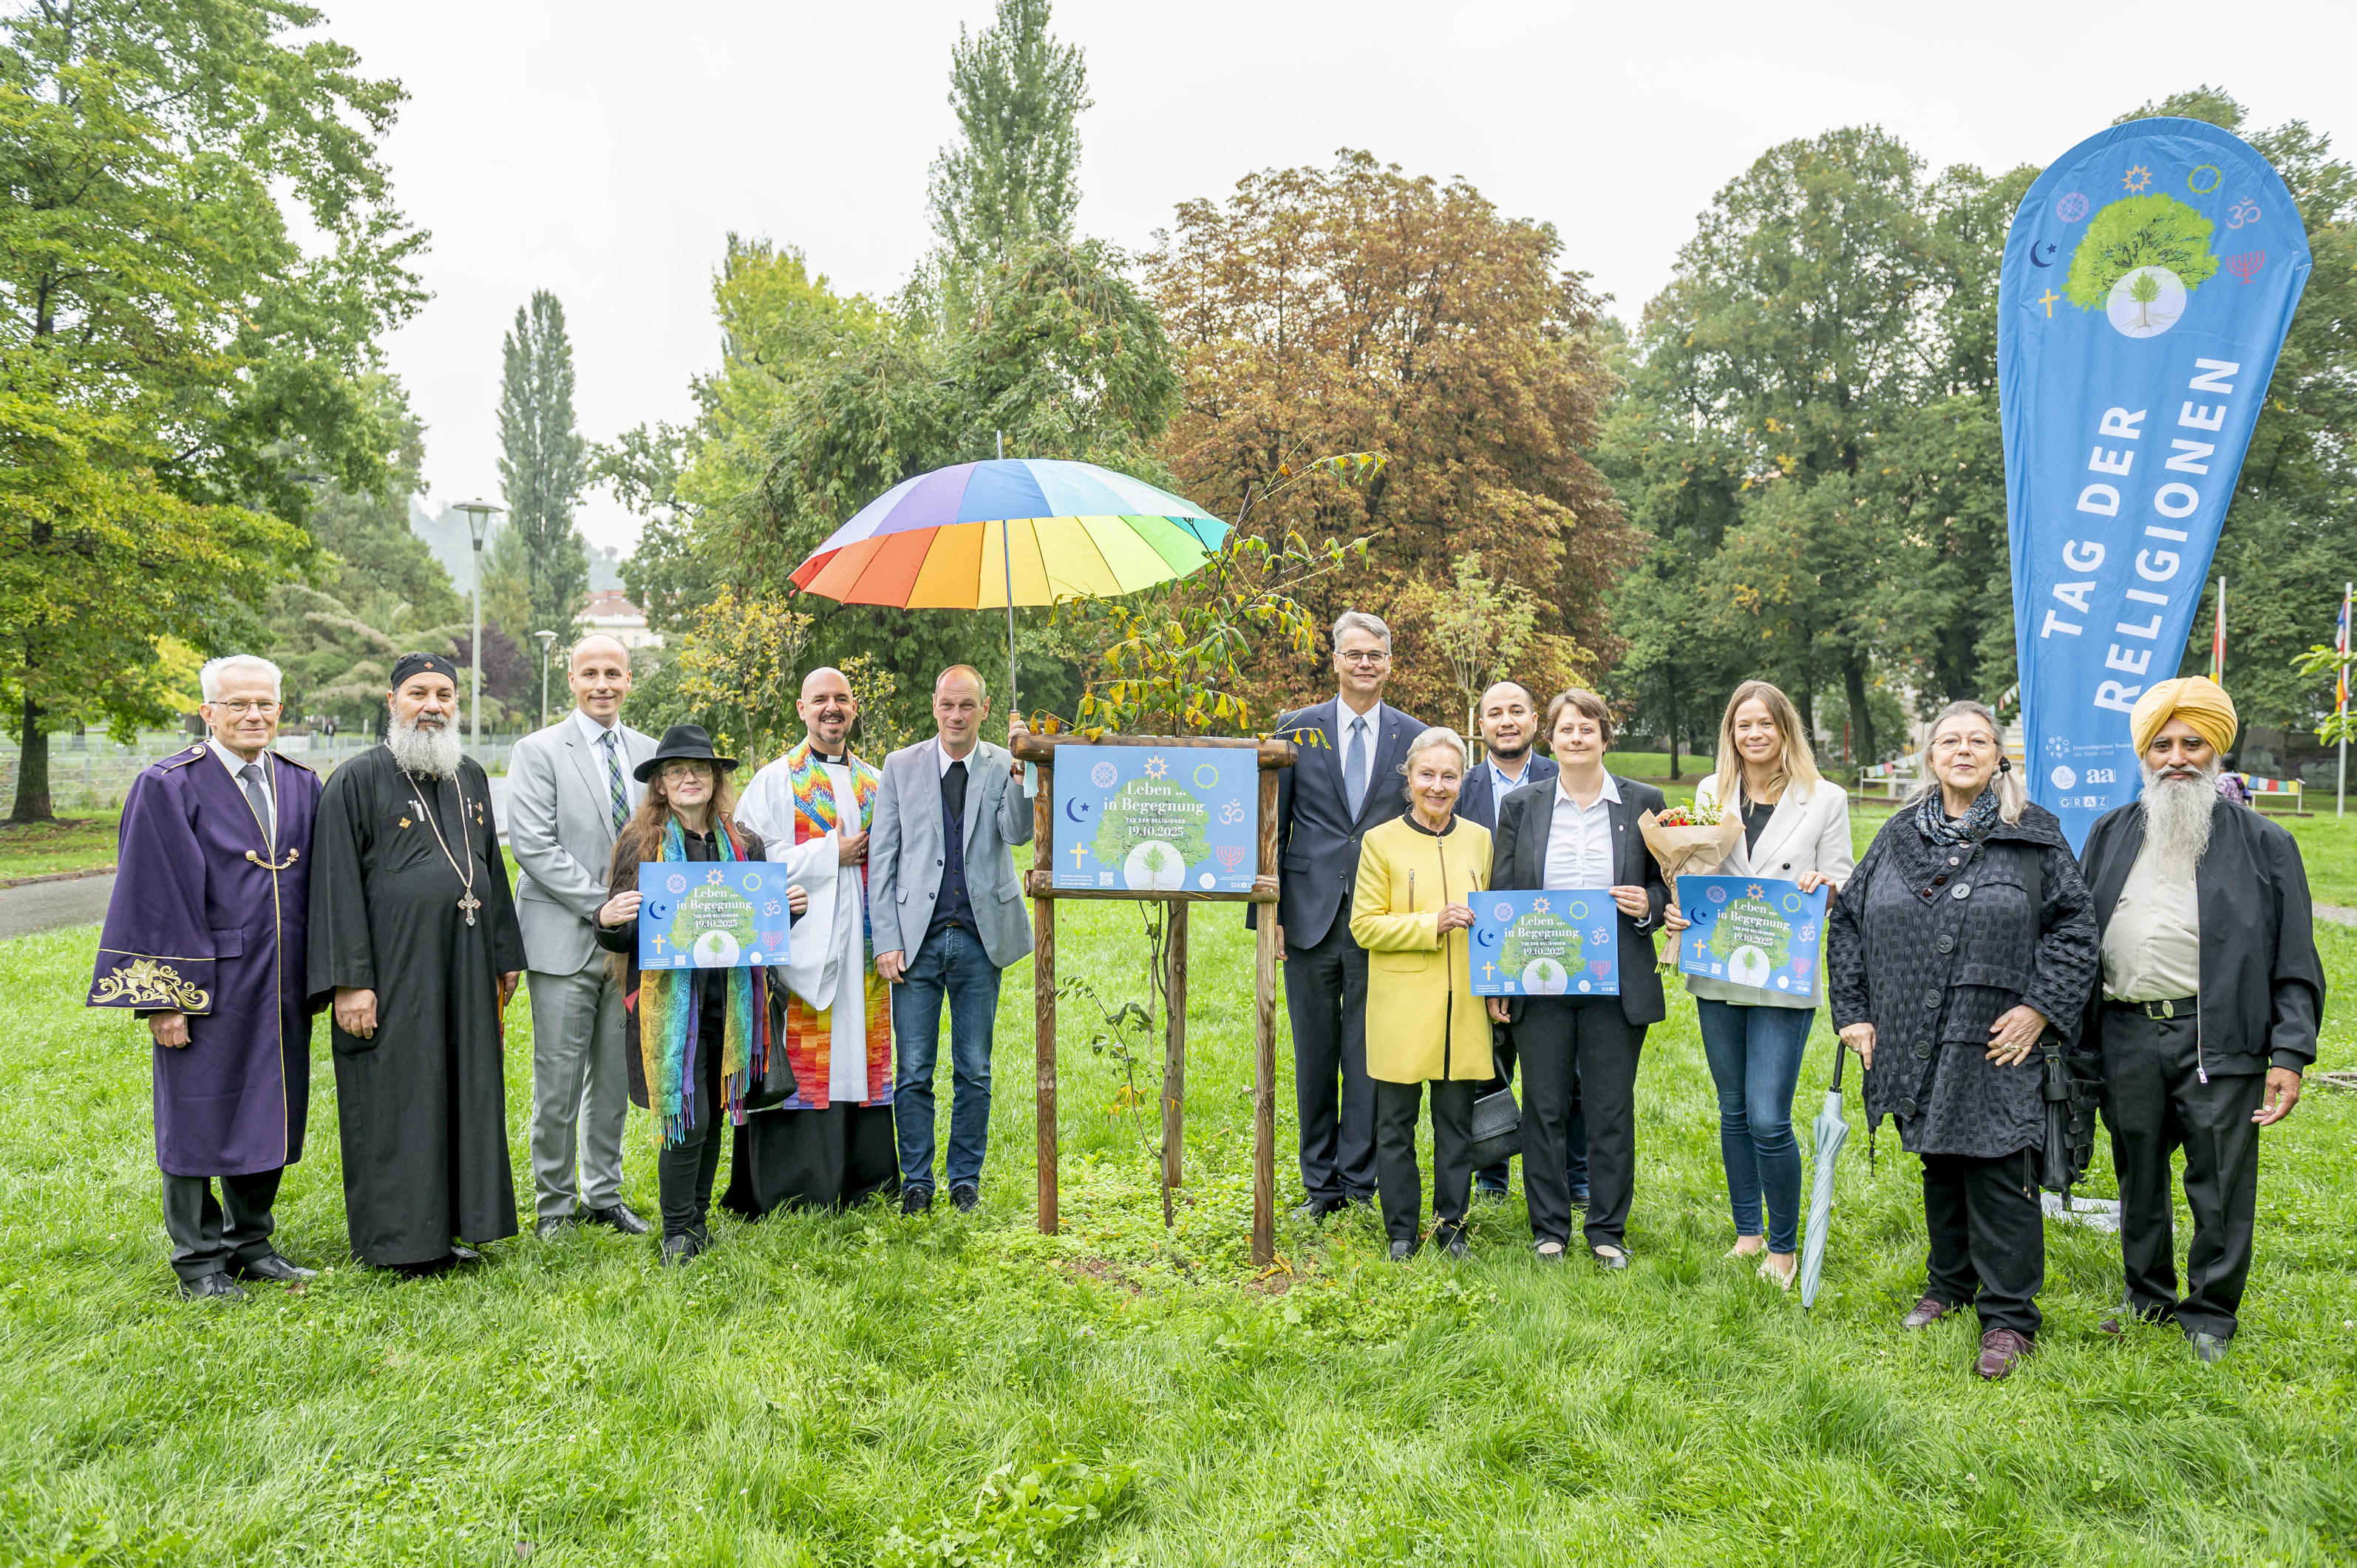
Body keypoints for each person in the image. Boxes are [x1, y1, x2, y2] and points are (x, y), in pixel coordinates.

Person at [1827, 700, 2098, 1380]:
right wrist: (1853, 1013)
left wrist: (2041, 1008)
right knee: (1939, 1162)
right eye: (1949, 740)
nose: (1963, 750)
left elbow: (2075, 929)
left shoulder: (2032, 835)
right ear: (1930, 755)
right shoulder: (1895, 837)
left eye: (1978, 740)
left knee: (2000, 1166)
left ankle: (2008, 1317)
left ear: (1996, 755)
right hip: (1912, 1031)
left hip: (1998, 1035)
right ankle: (1948, 1285)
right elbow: (1848, 923)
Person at [2078, 677, 2323, 1362]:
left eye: (2192, 743)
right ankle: (2147, 1299)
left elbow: (2295, 955)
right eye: (2161, 745)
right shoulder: (2108, 832)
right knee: (2138, 1176)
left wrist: (2289, 1055)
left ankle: (2210, 1314)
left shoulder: (2263, 842)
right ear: (2143, 755)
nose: (2176, 757)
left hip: (2219, 1036)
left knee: (2219, 1183)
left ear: (2216, 751)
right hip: (2125, 1030)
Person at [89, 655, 324, 1300]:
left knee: (270, 1107)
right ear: (208, 712)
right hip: (206, 984)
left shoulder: (302, 783)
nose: (253, 715)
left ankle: (250, 1242)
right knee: (198, 1115)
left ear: (280, 708)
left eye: (265, 704)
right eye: (237, 704)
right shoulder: (169, 784)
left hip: (282, 979)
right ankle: (198, 1259)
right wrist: (165, 998)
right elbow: (152, 892)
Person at [307, 653, 528, 1274]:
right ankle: (401, 1243)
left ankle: (457, 1228)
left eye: (444, 695)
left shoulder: (471, 777)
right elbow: (335, 887)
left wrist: (504, 958)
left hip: (465, 967)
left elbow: (489, 870)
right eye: (418, 693)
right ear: (392, 701)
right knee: (400, 1099)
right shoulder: (356, 780)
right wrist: (351, 983)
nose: (432, 705)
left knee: (463, 1091)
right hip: (394, 975)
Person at [592, 726, 804, 1265]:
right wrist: (608, 920)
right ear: (660, 784)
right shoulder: (640, 843)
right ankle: (676, 1232)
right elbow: (622, 929)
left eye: (701, 770)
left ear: (715, 780)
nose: (690, 778)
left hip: (730, 1004)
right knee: (689, 1117)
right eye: (676, 771)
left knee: (712, 1112)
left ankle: (698, 1223)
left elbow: (760, 929)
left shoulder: (745, 844)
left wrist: (788, 910)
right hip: (668, 1007)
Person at [1678, 680, 1854, 1290]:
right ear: (1730, 733)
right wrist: (1678, 902)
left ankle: (1783, 1248)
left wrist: (1820, 883)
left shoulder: (1823, 798)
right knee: (1731, 1111)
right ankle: (1746, 1233)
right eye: (1741, 725)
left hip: (1783, 971)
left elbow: (1845, 880)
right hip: (1719, 968)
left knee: (1767, 1116)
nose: (1753, 735)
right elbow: (1693, 871)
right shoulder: (1709, 792)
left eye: (1764, 724)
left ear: (1785, 730)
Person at [1489, 689, 1668, 1267]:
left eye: (1587, 729)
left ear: (1604, 738)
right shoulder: (1522, 805)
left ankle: (1607, 1230)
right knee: (1543, 1105)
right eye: (1566, 729)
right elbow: (1502, 895)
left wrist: (1648, 902)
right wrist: (1498, 978)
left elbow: (1670, 887)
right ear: (1552, 738)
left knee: (1609, 1106)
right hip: (1539, 976)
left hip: (1616, 979)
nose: (1575, 738)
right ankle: (1549, 1229)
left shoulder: (1643, 803)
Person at [1260, 610, 1428, 1219]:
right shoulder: (1294, 730)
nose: (1364, 664)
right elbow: (1272, 829)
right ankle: (1319, 1185)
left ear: (1389, 663)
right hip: (1307, 915)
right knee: (1315, 1052)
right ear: (1334, 660)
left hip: (1380, 918)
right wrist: (1268, 916)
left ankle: (1360, 1182)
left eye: (1375, 655)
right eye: (1353, 654)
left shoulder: (1413, 738)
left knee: (1368, 1054)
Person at [728, 667, 899, 1213]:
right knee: (804, 1061)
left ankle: (864, 1183)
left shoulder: (877, 782)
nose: (831, 708)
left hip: (866, 958)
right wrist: (831, 855)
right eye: (820, 700)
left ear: (854, 709)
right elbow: (749, 859)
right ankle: (793, 1188)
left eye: (841, 700)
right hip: (804, 955)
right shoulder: (776, 780)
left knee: (860, 1057)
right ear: (800, 709)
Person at [504, 634, 654, 1240]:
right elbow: (534, 846)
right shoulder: (538, 750)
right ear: (570, 679)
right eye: (589, 673)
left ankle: (604, 1194)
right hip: (563, 940)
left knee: (613, 1080)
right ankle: (553, 1207)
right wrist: (603, 907)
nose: (602, 684)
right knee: (558, 1082)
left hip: (631, 950)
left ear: (627, 679)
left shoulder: (648, 753)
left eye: (612, 673)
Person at [869, 665, 1033, 1214]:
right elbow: (883, 859)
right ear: (934, 706)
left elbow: (1018, 833)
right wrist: (885, 938)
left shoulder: (1001, 764)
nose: (956, 716)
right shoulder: (899, 766)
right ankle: (917, 1180)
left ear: (984, 709)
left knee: (974, 1068)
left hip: (981, 937)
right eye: (947, 706)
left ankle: (965, 1179)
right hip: (915, 941)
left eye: (967, 706)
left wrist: (1021, 772)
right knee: (913, 1070)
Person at [1350, 728, 1494, 1260]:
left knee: (1456, 1124)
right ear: (1408, 779)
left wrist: (1497, 987)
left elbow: (1495, 922)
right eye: (1427, 775)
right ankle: (1401, 1233)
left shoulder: (1479, 838)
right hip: (1402, 1007)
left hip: (1465, 1006)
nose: (1438, 786)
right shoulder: (1380, 841)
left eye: (1449, 776)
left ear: (1462, 781)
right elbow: (1365, 926)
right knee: (1395, 1126)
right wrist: (1431, 922)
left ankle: (1452, 1226)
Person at [1455, 681, 1574, 1204]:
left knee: (1563, 1069)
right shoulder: (1457, 785)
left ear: (1533, 722)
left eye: (1516, 711)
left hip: (1555, 940)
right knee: (1489, 1059)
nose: (1506, 721)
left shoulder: (1565, 774)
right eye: (1494, 713)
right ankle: (1492, 1176)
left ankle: (1575, 1175)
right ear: (1479, 726)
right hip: (1483, 936)